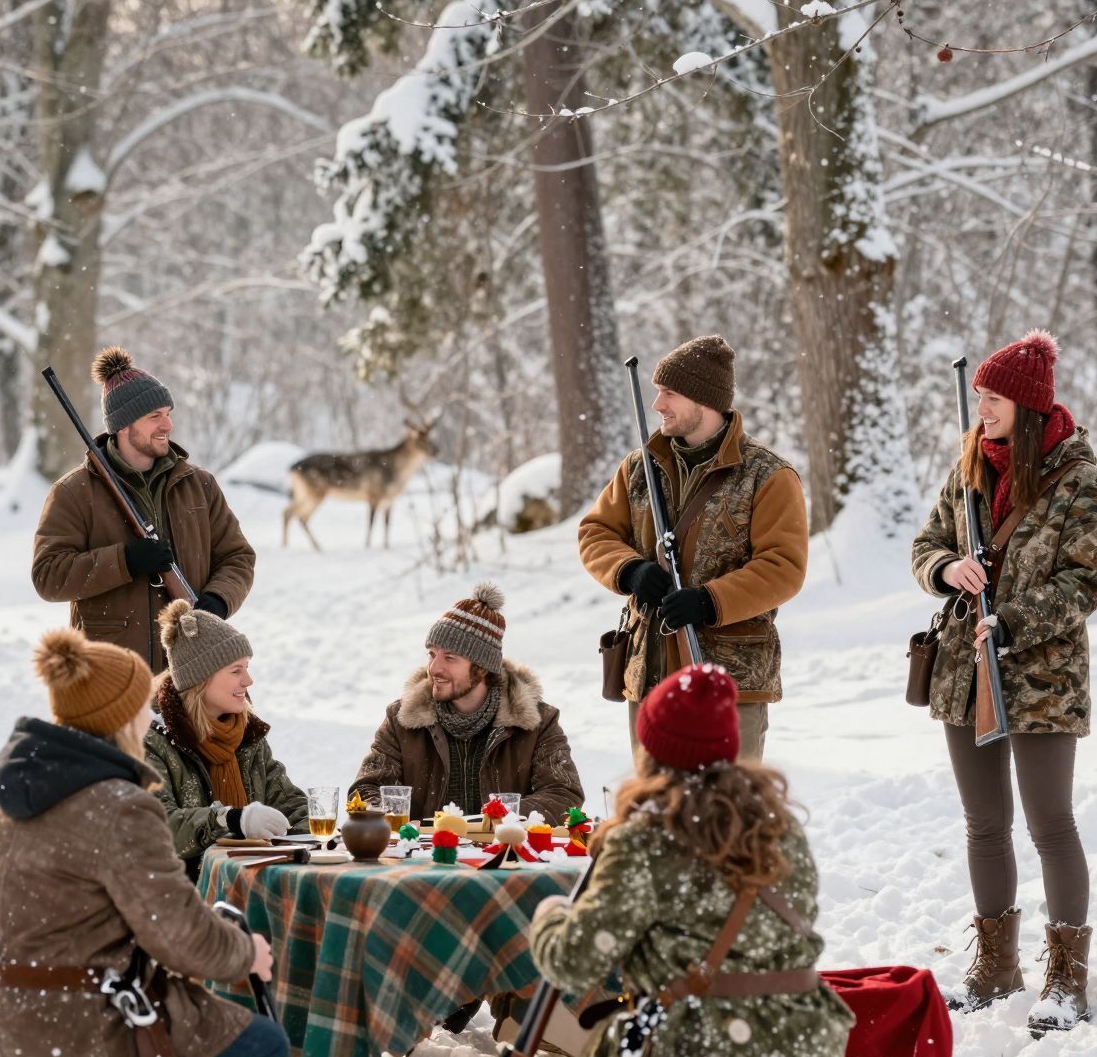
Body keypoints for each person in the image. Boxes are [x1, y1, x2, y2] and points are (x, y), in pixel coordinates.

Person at [0, 629, 292, 1057]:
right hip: (71, 1025)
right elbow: (182, 939)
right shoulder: (119, 806)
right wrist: (248, 951)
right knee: (266, 1049)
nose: (149, 714)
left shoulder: (12, 791)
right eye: (141, 704)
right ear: (120, 717)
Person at [530, 662, 853, 1057]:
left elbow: (573, 963)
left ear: (651, 750)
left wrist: (551, 914)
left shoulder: (646, 840)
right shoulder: (782, 829)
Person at [909, 332, 1097, 1035]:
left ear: (1026, 408)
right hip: (965, 673)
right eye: (979, 398)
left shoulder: (1080, 482)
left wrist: (1011, 621)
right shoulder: (969, 466)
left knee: (1050, 822)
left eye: (992, 399)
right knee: (984, 824)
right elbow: (925, 545)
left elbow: (1085, 583)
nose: (981, 410)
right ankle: (997, 967)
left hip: (1043, 678)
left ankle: (1067, 978)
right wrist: (947, 570)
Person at [578, 336, 806, 760]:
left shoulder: (768, 476)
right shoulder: (639, 466)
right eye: (657, 392)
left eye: (669, 394)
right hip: (650, 674)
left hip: (730, 680)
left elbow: (783, 567)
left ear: (705, 400)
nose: (658, 405)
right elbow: (596, 532)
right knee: (653, 814)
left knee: (727, 814)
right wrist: (629, 571)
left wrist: (709, 601)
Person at [32, 347, 255, 673]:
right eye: (155, 417)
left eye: (168, 413)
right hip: (110, 673)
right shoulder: (73, 492)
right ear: (123, 426)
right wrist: (125, 560)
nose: (168, 424)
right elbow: (48, 576)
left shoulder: (200, 485)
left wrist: (219, 599)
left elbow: (238, 557)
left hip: (190, 667)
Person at [350, 582, 583, 822]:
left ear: (482, 668)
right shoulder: (401, 718)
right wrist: (394, 815)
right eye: (432, 654)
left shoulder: (537, 723)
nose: (434, 668)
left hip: (502, 855)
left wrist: (500, 817)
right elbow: (366, 790)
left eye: (450, 658)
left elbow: (563, 794)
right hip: (422, 856)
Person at [144, 599, 309, 873]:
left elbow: (290, 804)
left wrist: (316, 831)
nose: (248, 681)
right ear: (201, 679)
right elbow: (157, 826)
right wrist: (229, 819)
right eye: (236, 671)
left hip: (248, 882)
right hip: (182, 897)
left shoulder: (248, 737)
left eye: (247, 667)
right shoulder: (152, 742)